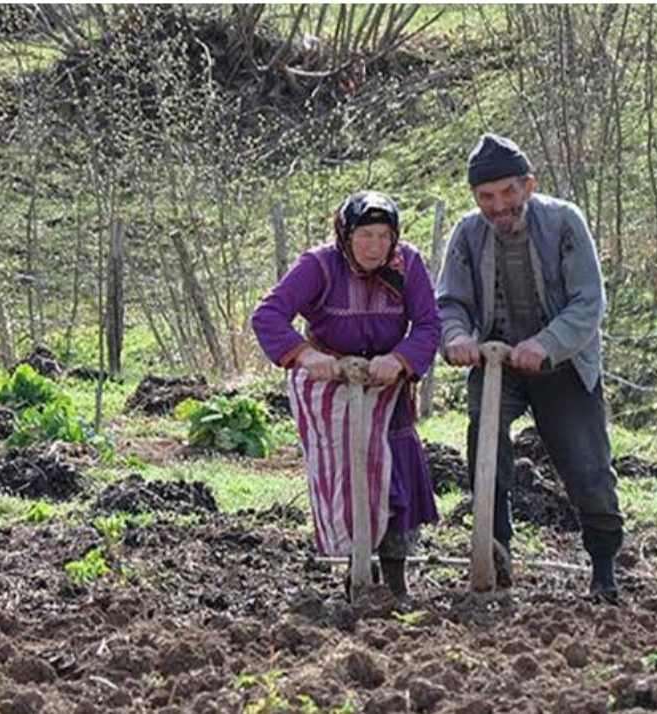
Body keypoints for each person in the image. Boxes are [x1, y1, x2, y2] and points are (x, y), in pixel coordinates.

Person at [436, 133, 624, 603]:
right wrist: (457, 337)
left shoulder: (563, 222)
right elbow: (450, 302)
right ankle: (494, 550)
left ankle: (604, 571)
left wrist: (545, 343)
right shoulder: (467, 234)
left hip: (561, 361)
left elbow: (588, 301)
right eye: (486, 196)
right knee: (484, 443)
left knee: (586, 465)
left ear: (528, 185)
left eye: (507, 192)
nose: (498, 206)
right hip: (496, 362)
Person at [251, 190, 441, 601]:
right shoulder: (318, 265)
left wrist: (400, 359)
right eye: (365, 236)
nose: (375, 247)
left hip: (387, 386)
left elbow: (429, 324)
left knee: (396, 475)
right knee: (348, 477)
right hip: (332, 383)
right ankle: (359, 571)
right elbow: (268, 315)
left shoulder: (407, 265)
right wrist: (306, 355)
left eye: (383, 236)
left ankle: (396, 580)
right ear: (346, 235)